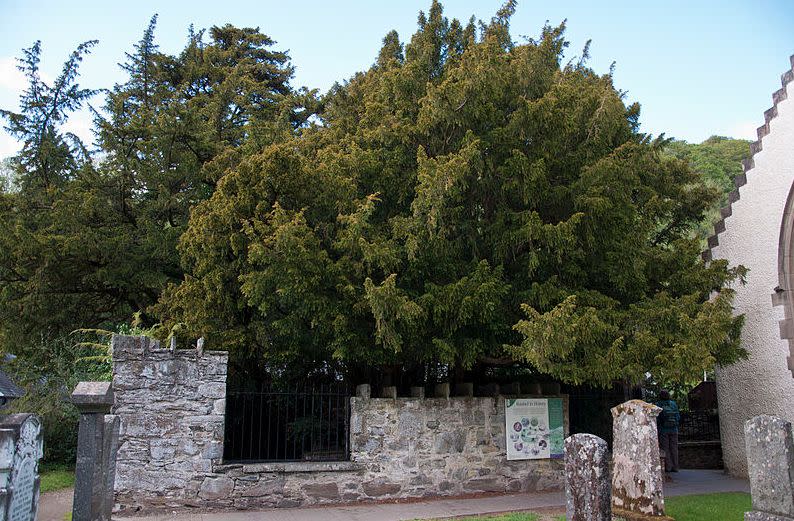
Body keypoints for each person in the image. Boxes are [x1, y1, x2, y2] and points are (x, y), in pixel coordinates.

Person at [656, 389, 680, 473]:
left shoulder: (658, 405)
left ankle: (668, 467)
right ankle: (676, 467)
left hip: (663, 430)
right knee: (674, 448)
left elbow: (657, 419)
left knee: (665, 448)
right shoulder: (673, 404)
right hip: (674, 429)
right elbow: (678, 416)